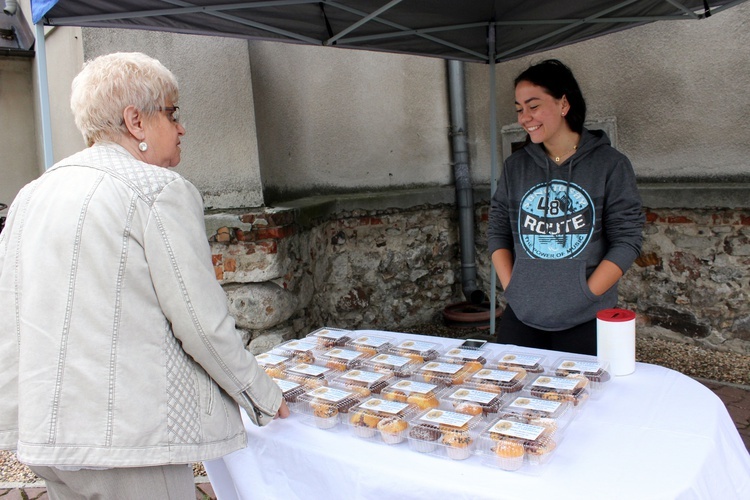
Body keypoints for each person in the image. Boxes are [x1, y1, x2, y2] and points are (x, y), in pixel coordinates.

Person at [0, 52, 289, 499]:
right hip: (126, 443)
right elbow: (200, 322)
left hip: (46, 435)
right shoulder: (157, 190)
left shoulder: (32, 194)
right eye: (172, 113)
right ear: (135, 121)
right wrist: (265, 398)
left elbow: (12, 315)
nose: (181, 128)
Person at [488, 59, 644, 355]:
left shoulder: (610, 165)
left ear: (563, 103)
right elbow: (497, 229)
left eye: (534, 106)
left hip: (586, 319)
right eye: (519, 108)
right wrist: (512, 286)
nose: (525, 117)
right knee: (511, 395)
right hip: (522, 315)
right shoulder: (515, 167)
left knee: (584, 400)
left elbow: (627, 239)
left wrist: (586, 293)